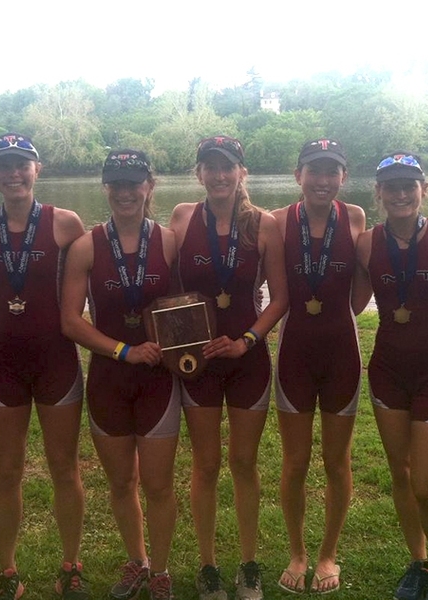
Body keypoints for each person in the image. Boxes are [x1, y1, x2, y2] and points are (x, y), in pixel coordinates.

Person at [0, 133, 88, 600]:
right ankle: (7, 571)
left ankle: (71, 566)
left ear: (38, 169)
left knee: (64, 467)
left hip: (55, 360)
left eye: (22, 165)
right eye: (4, 165)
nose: (13, 174)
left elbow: (98, 279)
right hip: (2, 362)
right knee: (6, 471)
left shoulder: (66, 223)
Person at [168, 135, 288, 600]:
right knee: (206, 463)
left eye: (228, 166)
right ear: (199, 173)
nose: (219, 175)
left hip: (245, 359)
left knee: (243, 462)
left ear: (242, 172)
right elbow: (160, 271)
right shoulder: (181, 217)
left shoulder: (264, 224)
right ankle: (208, 566)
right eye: (210, 166)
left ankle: (249, 564)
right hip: (197, 360)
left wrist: (247, 341)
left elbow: (278, 298)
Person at [61, 149, 180, 600]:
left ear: (150, 186)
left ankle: (162, 571)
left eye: (135, 183)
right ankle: (138, 561)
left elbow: (185, 308)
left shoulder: (168, 241)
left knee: (157, 482)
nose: (126, 192)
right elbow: (70, 320)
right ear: (105, 188)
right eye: (117, 183)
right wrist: (123, 351)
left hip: (158, 380)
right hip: (110, 379)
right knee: (120, 481)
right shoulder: (87, 246)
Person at [354, 152, 428, 600]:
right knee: (400, 472)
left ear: (423, 189)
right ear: (378, 192)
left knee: (426, 483)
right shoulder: (364, 243)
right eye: (391, 186)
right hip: (387, 370)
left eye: (408, 185)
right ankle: (417, 561)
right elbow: (352, 303)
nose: (400, 193)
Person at [269, 139, 365, 595]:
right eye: (314, 171)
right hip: (295, 355)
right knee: (294, 463)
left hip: (342, 353)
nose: (323, 180)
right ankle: (297, 552)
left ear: (343, 178)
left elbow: (363, 288)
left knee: (337, 462)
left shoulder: (357, 218)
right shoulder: (276, 223)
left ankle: (327, 554)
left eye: (332, 172)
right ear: (298, 175)